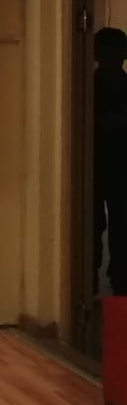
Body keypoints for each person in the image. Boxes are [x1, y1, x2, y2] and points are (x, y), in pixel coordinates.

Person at [93, 26, 127, 296]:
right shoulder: (86, 87)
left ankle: (120, 278)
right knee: (93, 224)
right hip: (93, 165)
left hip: (120, 166)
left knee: (121, 226)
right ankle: (90, 277)